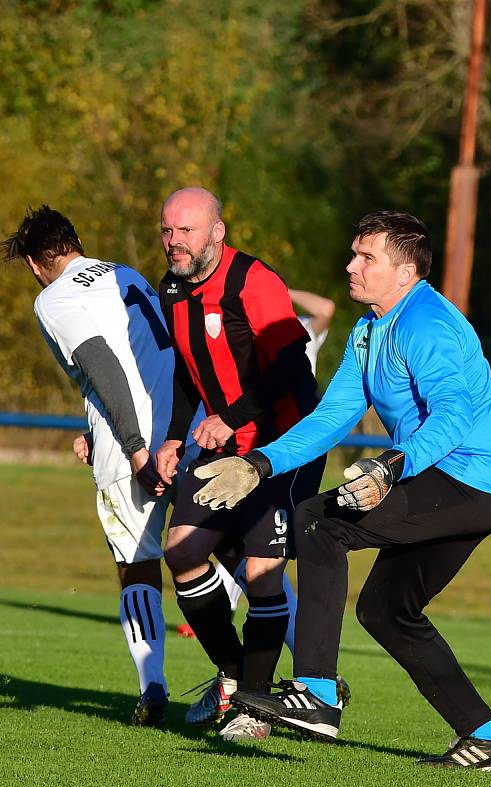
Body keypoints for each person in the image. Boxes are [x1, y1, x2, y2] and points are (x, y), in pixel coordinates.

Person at [193, 211, 491, 772]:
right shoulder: (370, 331)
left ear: (405, 271)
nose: (351, 266)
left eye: (366, 257)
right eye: (353, 254)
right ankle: (490, 738)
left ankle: (318, 693)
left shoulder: (427, 324)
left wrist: (394, 465)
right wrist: (258, 463)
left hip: (472, 479)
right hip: (455, 480)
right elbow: (330, 419)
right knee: (386, 611)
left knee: (319, 520)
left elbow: (454, 413)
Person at [155, 187, 326, 741]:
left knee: (261, 574)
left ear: (217, 232)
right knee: (181, 550)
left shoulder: (253, 281)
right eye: (168, 231)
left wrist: (230, 417)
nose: (175, 242)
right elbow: (186, 373)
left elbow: (293, 366)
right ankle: (235, 677)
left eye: (187, 231)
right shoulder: (173, 290)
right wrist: (174, 439)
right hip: (222, 444)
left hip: (282, 446)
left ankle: (257, 709)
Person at [2, 205, 176, 728]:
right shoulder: (127, 273)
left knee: (137, 564)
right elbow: (140, 356)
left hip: (136, 449)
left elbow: (101, 363)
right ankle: (311, 674)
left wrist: (131, 445)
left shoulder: (53, 298)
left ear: (35, 263)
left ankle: (153, 688)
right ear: (76, 241)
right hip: (186, 428)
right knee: (233, 547)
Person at [210, 287, 336, 649]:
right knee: (232, 541)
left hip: (290, 444)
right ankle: (241, 662)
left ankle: (302, 669)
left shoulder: (295, 328)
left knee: (264, 557)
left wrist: (280, 289)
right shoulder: (238, 330)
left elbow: (327, 305)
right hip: (246, 440)